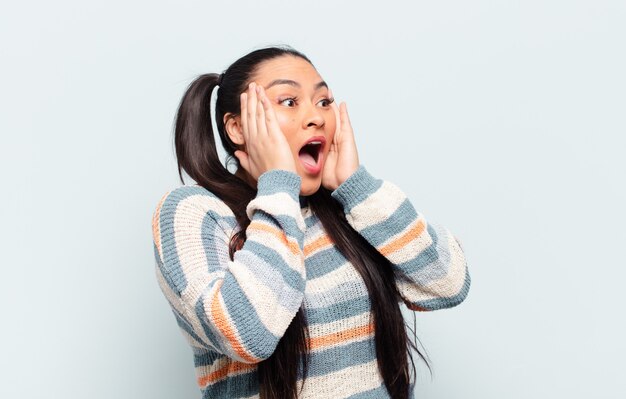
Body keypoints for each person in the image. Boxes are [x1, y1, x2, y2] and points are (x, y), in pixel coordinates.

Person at [151, 45, 471, 399]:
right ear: (237, 127)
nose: (317, 117)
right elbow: (248, 334)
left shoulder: (351, 209)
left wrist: (357, 187)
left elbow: (449, 283)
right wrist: (278, 187)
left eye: (323, 101)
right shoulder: (193, 213)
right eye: (289, 101)